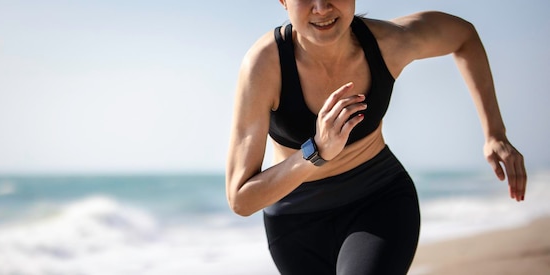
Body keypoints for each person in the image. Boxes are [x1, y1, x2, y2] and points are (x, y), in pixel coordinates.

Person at [225, 0, 527, 274]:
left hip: (378, 202)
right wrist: (316, 152)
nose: (321, 7)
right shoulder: (264, 66)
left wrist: (495, 133)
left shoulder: (388, 43)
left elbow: (464, 36)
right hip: (295, 225)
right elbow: (241, 198)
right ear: (283, 1)